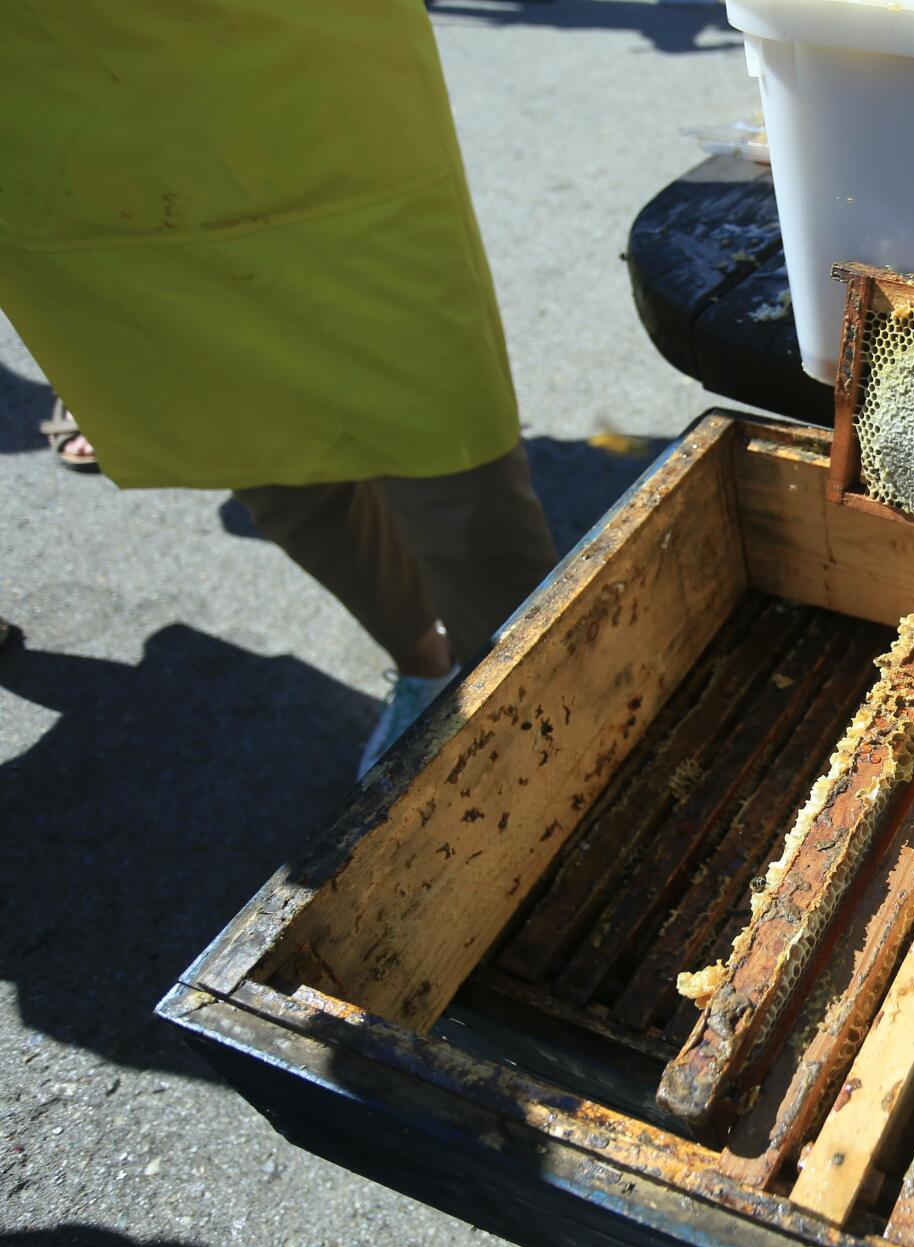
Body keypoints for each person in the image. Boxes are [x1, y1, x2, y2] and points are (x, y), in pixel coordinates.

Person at [0, 0, 558, 774]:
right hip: (62, 132)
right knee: (263, 450)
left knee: (448, 449)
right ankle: (424, 669)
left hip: (301, 86)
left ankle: (545, 707)